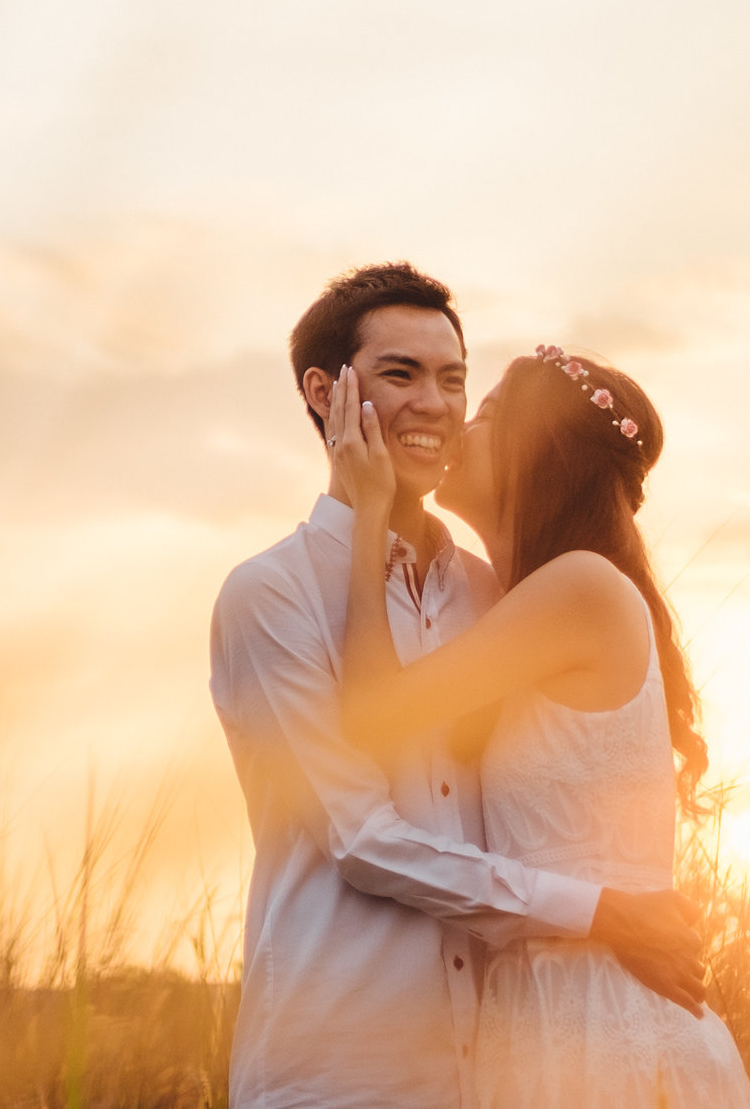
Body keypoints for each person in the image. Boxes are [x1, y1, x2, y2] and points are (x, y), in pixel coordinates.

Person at [210, 264, 708, 1109]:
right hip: (340, 1074)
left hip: (503, 1060)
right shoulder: (272, 594)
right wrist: (601, 909)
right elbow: (362, 836)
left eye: (457, 382)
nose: (439, 406)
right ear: (326, 392)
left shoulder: (495, 596)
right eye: (402, 373)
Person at [326, 344, 750, 1107]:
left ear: (536, 451)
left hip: (598, 1016)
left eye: (485, 413)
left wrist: (366, 517)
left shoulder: (580, 588)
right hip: (544, 1012)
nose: (460, 424)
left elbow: (372, 713)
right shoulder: (521, 605)